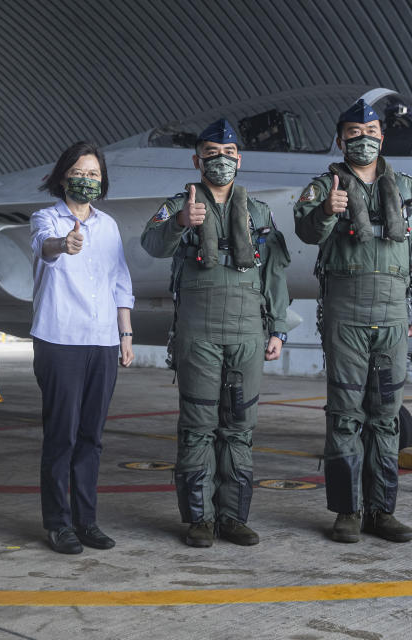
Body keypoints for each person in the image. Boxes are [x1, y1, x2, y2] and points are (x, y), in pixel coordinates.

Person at [140, 119, 290, 548]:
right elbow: (151, 243)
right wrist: (181, 222)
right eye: (210, 153)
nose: (219, 161)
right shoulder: (179, 204)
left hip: (247, 333)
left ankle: (233, 517)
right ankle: (199, 520)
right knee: (198, 427)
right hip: (199, 333)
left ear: (239, 159)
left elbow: (275, 275)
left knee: (239, 429)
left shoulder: (258, 212)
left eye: (227, 154)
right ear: (196, 160)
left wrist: (277, 328)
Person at [292, 99, 412, 543]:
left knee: (386, 417)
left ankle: (381, 511)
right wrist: (327, 212)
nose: (363, 138)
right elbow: (305, 232)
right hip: (346, 316)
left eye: (370, 130)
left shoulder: (407, 188)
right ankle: (347, 512)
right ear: (340, 139)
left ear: (382, 137)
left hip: (393, 316)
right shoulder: (324, 186)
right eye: (353, 132)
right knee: (345, 416)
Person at [30, 141, 134, 554]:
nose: (87, 180)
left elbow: (120, 280)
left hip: (103, 342)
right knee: (62, 435)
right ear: (62, 176)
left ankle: (86, 521)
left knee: (92, 436)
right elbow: (44, 247)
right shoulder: (46, 219)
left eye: (94, 175)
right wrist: (64, 245)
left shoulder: (107, 226)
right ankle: (58, 523)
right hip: (60, 340)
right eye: (80, 172)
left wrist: (125, 333)